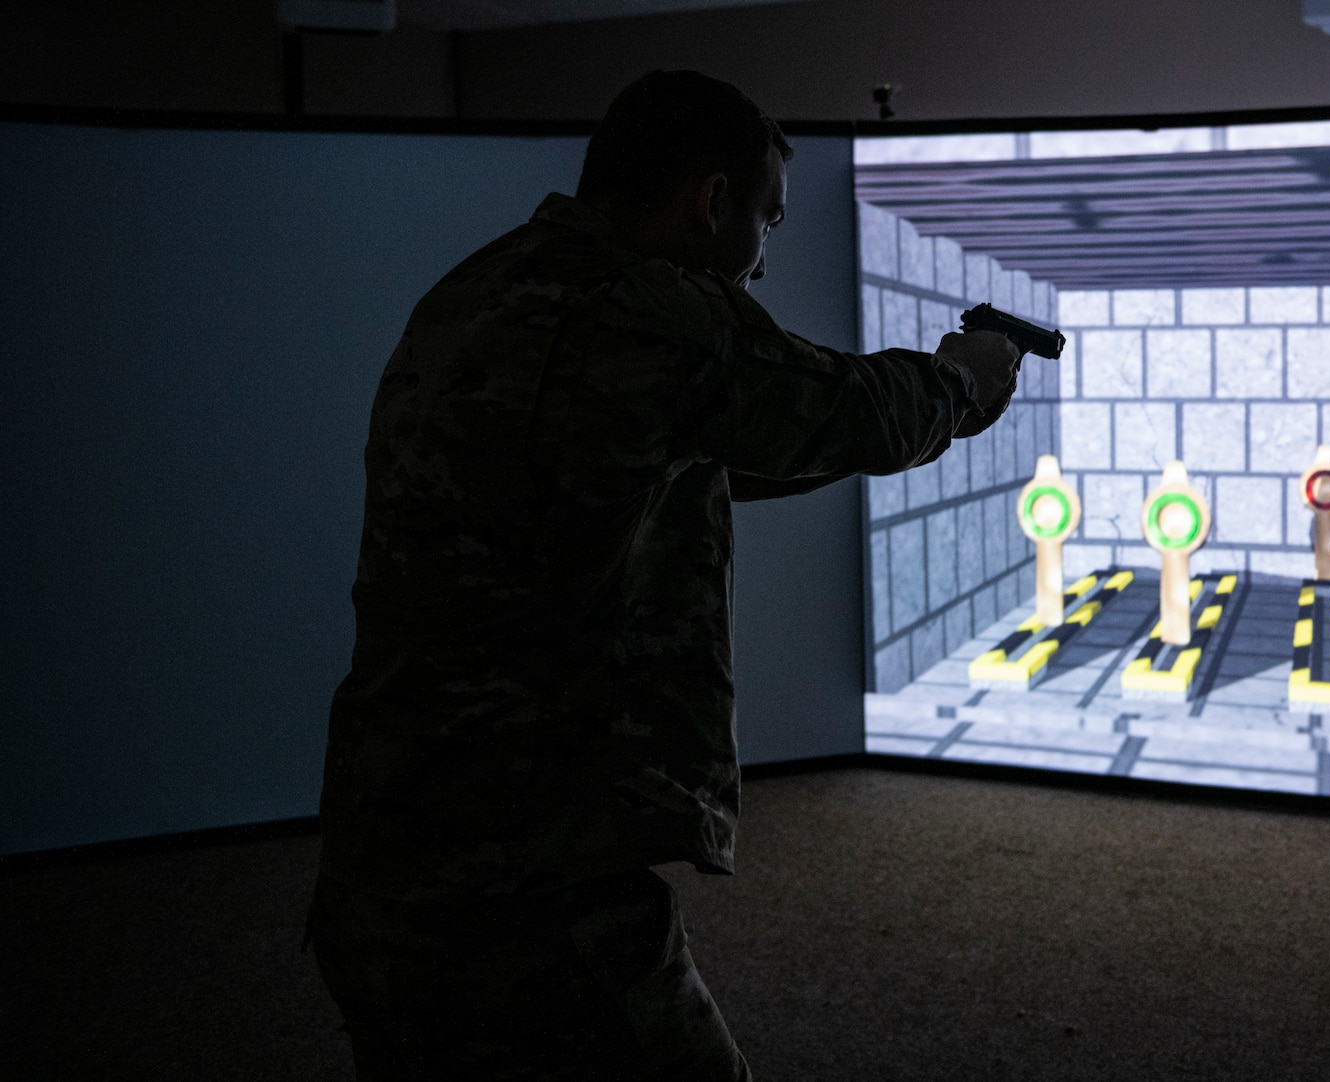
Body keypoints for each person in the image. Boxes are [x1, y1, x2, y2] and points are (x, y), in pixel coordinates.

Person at [308, 70, 1020, 1080]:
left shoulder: (470, 292)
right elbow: (851, 408)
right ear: (710, 200)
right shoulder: (653, 313)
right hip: (526, 870)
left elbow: (669, 456)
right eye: (764, 222)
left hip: (382, 836)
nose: (762, 262)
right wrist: (961, 379)